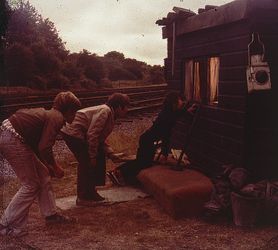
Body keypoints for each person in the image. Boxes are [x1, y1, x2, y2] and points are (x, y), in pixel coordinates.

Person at [0, 91, 81, 237]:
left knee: (43, 174)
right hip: (12, 138)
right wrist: (55, 166)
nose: (75, 116)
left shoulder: (51, 114)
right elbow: (44, 147)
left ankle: (51, 216)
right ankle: (5, 223)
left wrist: (47, 166)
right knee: (31, 184)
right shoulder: (57, 117)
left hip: (13, 136)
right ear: (69, 110)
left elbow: (38, 146)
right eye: (75, 112)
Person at [107, 91, 198, 186]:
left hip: (146, 139)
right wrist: (164, 153)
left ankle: (118, 172)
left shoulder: (168, 113)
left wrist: (186, 111)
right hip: (148, 141)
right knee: (143, 164)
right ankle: (119, 172)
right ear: (174, 102)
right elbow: (166, 135)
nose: (182, 102)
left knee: (141, 161)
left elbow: (177, 114)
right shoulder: (168, 117)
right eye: (179, 99)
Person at [61, 93, 130, 206]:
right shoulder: (105, 111)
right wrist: (92, 156)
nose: (127, 110)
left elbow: (100, 139)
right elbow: (93, 135)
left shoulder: (109, 112)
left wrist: (111, 153)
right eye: (126, 107)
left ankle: (90, 193)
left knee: (93, 159)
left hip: (77, 134)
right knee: (86, 162)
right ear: (118, 106)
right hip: (74, 134)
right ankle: (84, 197)